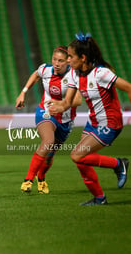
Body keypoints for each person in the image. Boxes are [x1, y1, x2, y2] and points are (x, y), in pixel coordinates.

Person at [48, 32, 131, 206]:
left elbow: (129, 88)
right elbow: (68, 103)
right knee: (81, 159)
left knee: (77, 155)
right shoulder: (74, 75)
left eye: (70, 56)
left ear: (83, 57)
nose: (68, 60)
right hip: (93, 122)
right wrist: (57, 106)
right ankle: (99, 198)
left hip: (110, 123)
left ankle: (118, 164)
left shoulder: (101, 73)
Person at [16, 46, 82, 194]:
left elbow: (78, 100)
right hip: (45, 112)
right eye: (54, 59)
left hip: (65, 119)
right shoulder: (46, 69)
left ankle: (42, 179)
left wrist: (62, 104)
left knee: (50, 153)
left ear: (68, 62)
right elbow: (35, 74)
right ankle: (28, 180)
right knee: (48, 141)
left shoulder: (74, 75)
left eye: (61, 61)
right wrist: (23, 92)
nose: (56, 63)